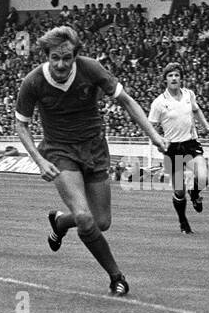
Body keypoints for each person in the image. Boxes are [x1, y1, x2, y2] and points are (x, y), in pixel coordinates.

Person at [13, 25, 168, 295]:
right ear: (46, 55)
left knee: (102, 222)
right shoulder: (33, 82)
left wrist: (153, 134)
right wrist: (39, 160)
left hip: (94, 148)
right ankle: (116, 277)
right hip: (60, 151)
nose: (61, 64)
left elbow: (127, 101)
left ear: (76, 55)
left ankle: (60, 222)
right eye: (55, 58)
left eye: (67, 57)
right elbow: (21, 126)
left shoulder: (91, 69)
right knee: (85, 218)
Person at [148, 61, 209, 234]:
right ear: (165, 80)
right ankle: (183, 222)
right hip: (172, 149)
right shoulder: (159, 103)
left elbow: (196, 110)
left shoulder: (188, 94)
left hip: (190, 144)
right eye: (170, 75)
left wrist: (206, 126)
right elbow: (150, 126)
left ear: (181, 78)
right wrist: (158, 141)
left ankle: (195, 194)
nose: (174, 78)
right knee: (179, 190)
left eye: (177, 75)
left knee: (203, 176)